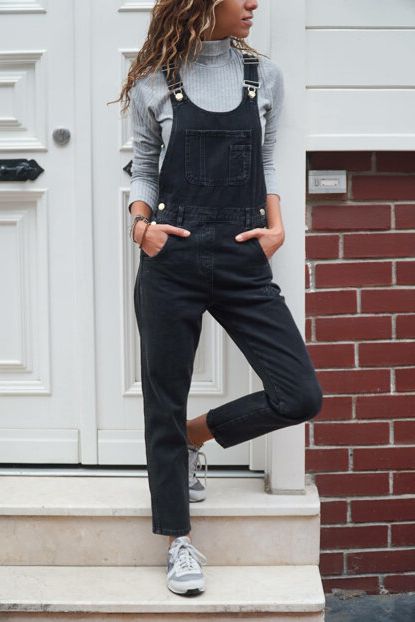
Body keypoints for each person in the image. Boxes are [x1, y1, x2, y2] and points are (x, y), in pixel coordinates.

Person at [117, 0, 323, 597]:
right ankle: (177, 540)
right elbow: (144, 166)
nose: (253, 3)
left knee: (299, 394)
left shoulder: (265, 77)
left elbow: (267, 158)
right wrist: (140, 227)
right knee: (163, 398)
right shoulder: (155, 83)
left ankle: (194, 436)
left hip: (242, 257)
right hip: (171, 260)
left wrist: (277, 228)